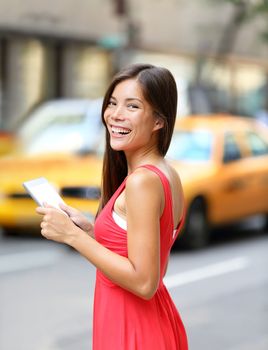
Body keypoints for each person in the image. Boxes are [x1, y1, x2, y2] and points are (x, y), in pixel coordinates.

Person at [36, 63, 188, 350]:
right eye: (113, 103)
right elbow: (139, 252)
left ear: (158, 121)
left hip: (134, 329)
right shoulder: (165, 173)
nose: (115, 115)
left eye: (132, 106)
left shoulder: (142, 182)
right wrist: (92, 231)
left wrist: (72, 236)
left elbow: (145, 282)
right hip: (149, 322)